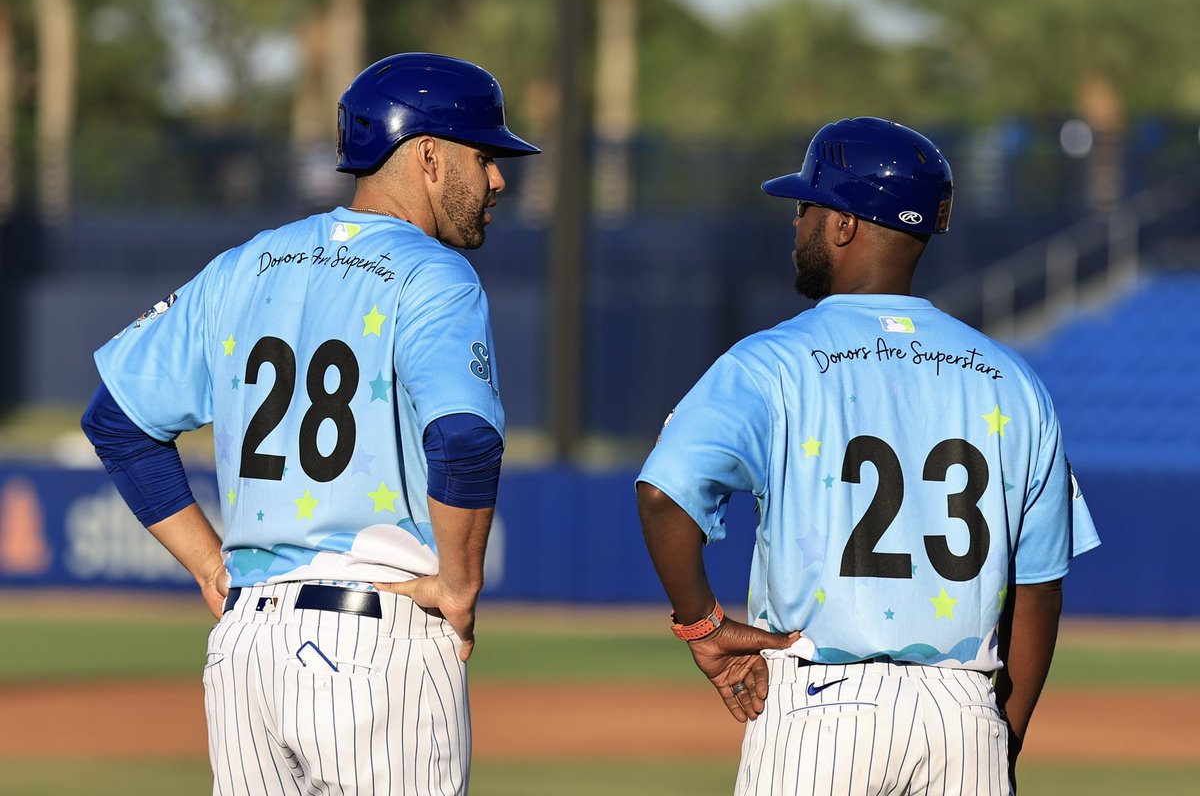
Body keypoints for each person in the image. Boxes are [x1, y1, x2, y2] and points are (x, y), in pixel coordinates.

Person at [80, 52, 539, 795]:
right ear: (427, 156)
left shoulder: (245, 265)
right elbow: (463, 437)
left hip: (246, 650)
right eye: (483, 154)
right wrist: (459, 584)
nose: (498, 180)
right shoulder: (434, 276)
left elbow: (116, 420)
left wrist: (209, 568)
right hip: (376, 639)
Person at [635, 117, 1100, 795]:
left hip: (820, 706)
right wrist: (1004, 733)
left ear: (844, 227)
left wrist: (702, 624)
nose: (796, 227)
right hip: (963, 711)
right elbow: (1039, 588)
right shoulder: (1014, 381)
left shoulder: (773, 362)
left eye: (805, 209)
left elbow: (662, 493)